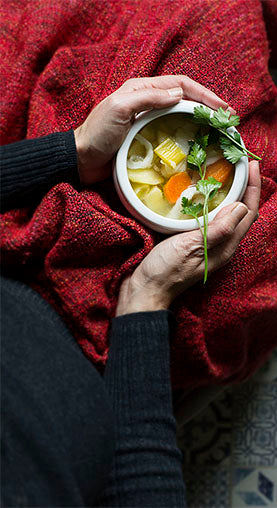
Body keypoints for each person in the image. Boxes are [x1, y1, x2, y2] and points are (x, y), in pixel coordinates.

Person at [0, 75, 261, 506]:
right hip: (113, 361)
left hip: (31, 221)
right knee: (267, 263)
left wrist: (75, 149)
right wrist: (147, 295)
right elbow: (144, 488)